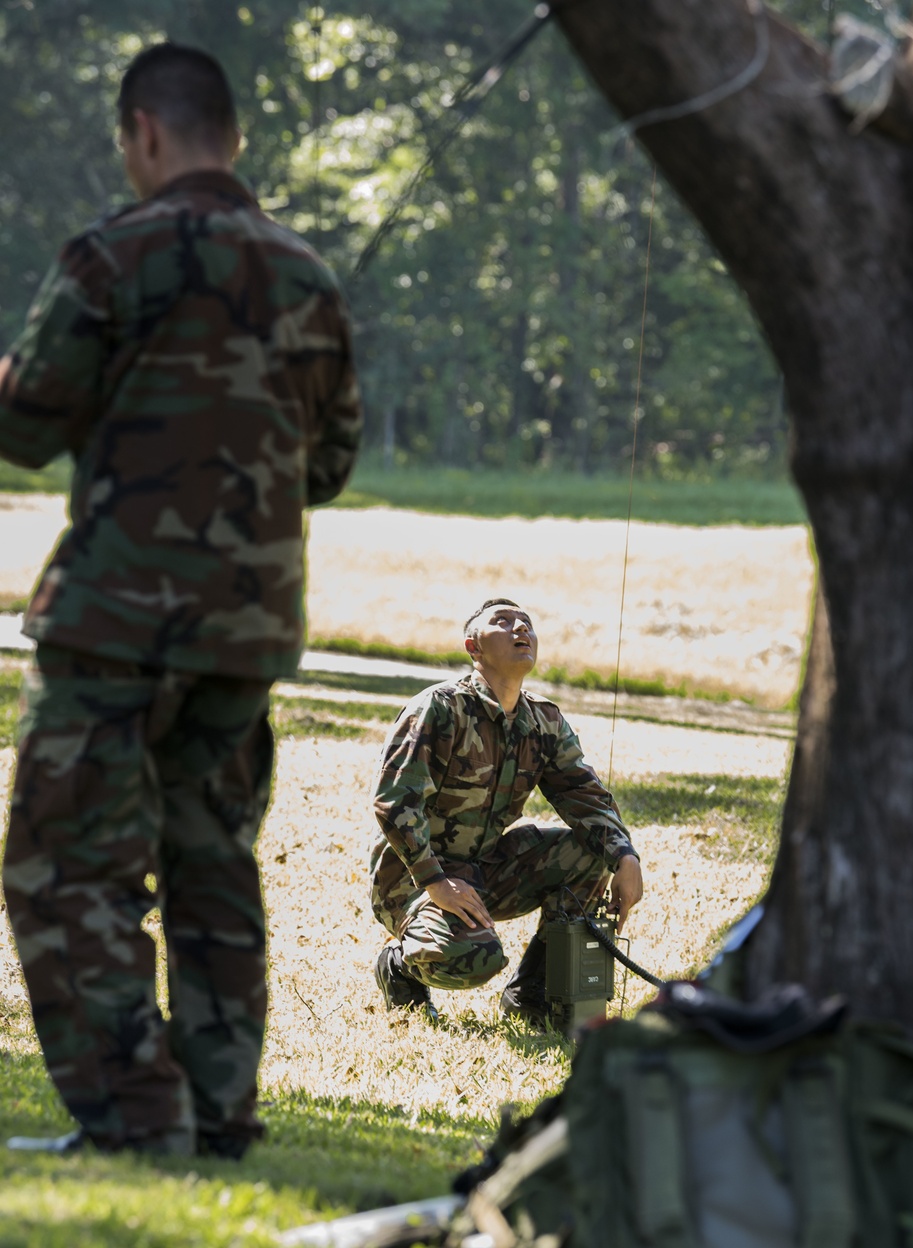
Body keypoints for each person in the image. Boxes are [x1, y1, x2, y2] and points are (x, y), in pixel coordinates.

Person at [0, 43, 362, 1157]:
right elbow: (332, 463)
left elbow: (25, 431)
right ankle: (213, 1118)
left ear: (143, 134)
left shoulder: (112, 257)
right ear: (231, 136)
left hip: (115, 626)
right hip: (244, 639)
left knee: (65, 868)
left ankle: (136, 1117)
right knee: (212, 869)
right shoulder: (306, 275)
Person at [370, 598, 643, 1023]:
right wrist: (436, 882)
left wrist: (625, 855)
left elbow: (585, 795)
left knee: (592, 853)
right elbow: (394, 802)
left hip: (484, 869)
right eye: (503, 622)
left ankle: (531, 995)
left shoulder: (543, 721)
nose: (520, 629)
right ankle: (399, 966)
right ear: (473, 647)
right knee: (475, 956)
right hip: (412, 878)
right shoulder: (439, 708)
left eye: (527, 624)